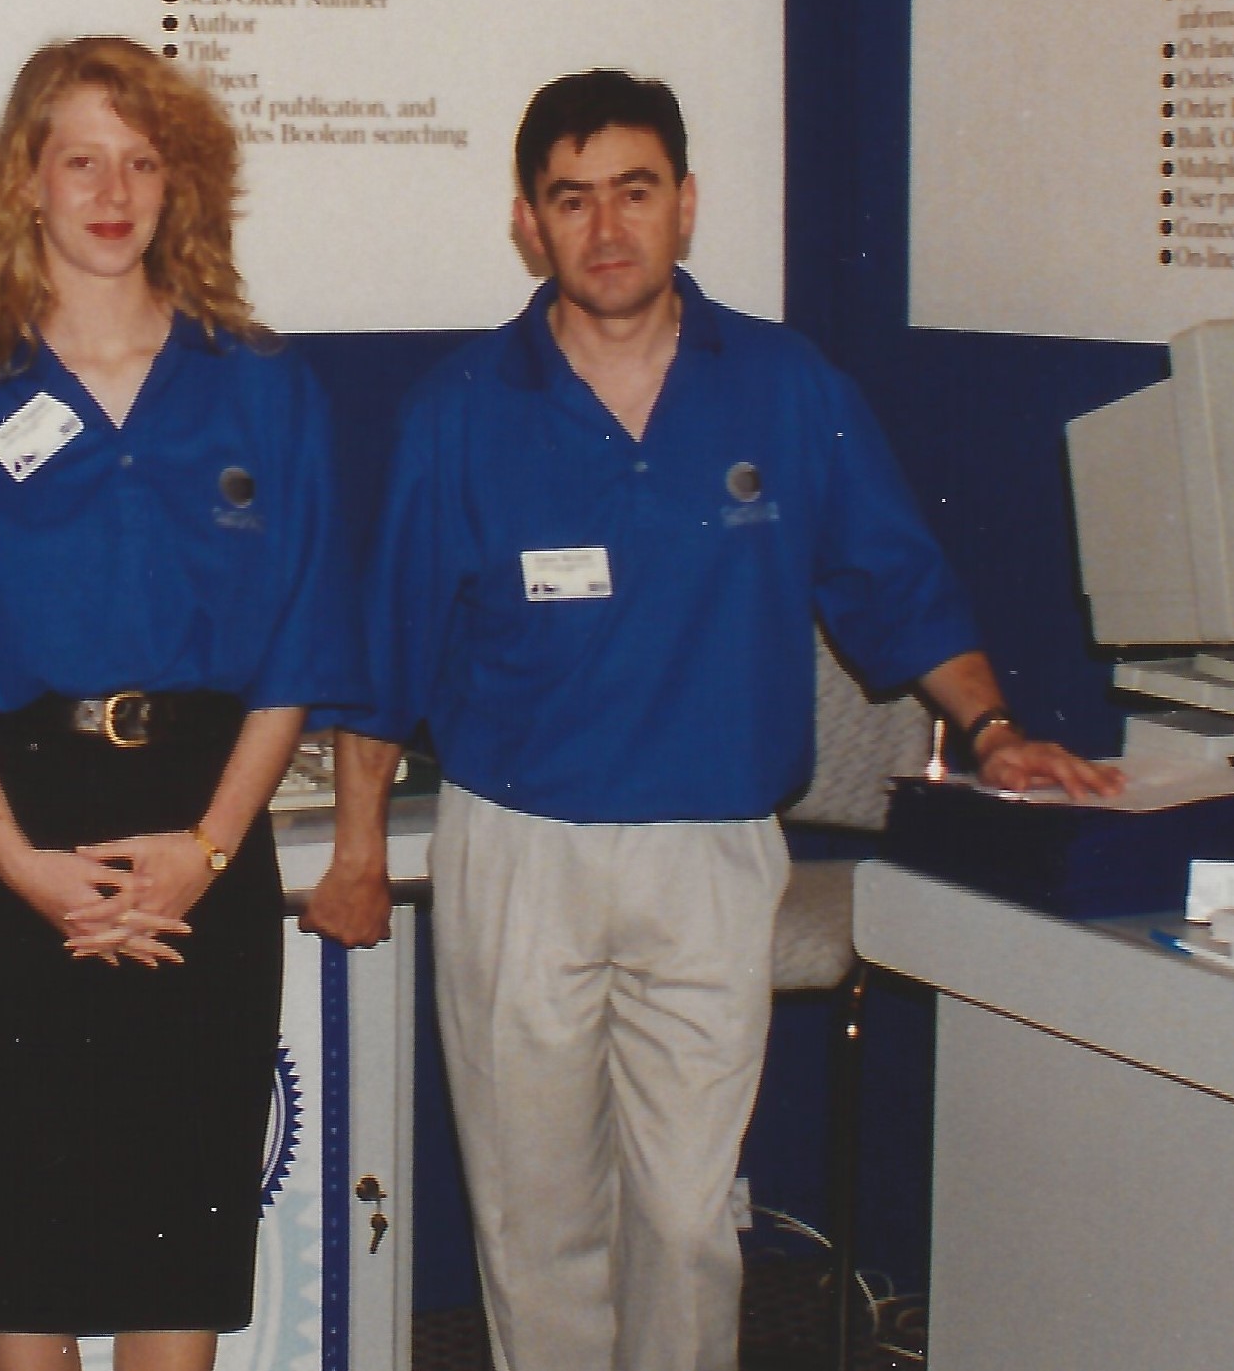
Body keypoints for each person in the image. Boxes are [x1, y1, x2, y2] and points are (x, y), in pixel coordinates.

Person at [304, 69, 1118, 1371]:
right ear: (529, 222)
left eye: (633, 190)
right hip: (521, 849)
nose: (606, 227)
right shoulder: (459, 410)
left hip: (713, 850)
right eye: (571, 199)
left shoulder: (785, 387)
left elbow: (894, 579)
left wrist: (988, 728)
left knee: (686, 1219)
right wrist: (355, 853)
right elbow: (384, 650)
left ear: (683, 203)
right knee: (537, 1221)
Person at [0, 37, 359, 1371]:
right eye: (80, 156)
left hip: (198, 835)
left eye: (142, 159)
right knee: (16, 1261)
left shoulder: (261, 385)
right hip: (10, 842)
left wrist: (202, 852)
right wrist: (22, 865)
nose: (111, 188)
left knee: (165, 1253)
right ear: (26, 180)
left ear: (180, 184)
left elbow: (303, 646)